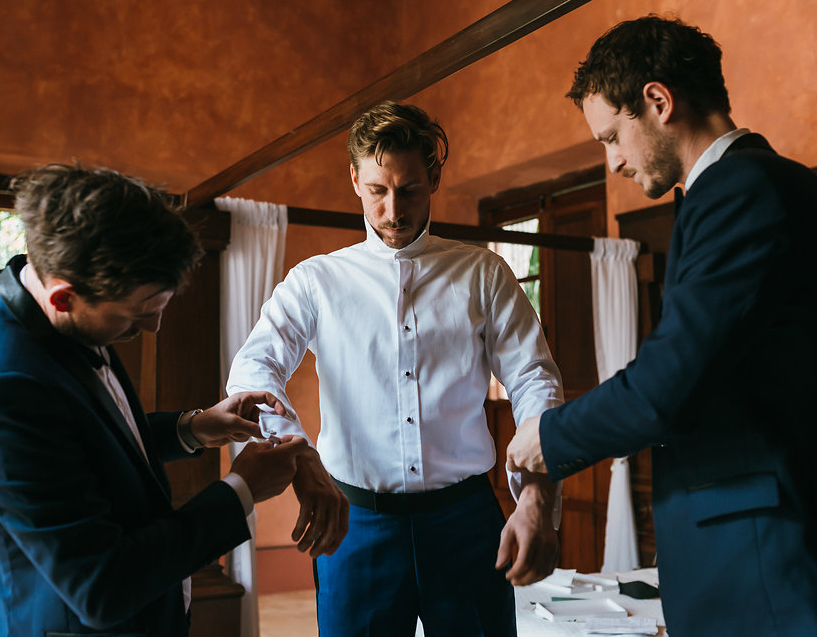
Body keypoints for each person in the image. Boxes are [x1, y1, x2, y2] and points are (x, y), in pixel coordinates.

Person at [506, 15, 817, 636]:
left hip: (764, 557)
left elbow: (666, 386)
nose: (613, 161)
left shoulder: (739, 192)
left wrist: (550, 437)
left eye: (612, 137)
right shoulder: (779, 186)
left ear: (657, 100)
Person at [226, 100, 564, 636]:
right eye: (378, 191)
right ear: (355, 179)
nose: (392, 211)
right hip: (353, 523)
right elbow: (252, 373)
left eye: (409, 189)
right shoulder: (315, 281)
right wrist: (300, 458)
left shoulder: (485, 273)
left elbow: (533, 380)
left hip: (467, 521)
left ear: (433, 179)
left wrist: (537, 496)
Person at [0, 163, 310, 637]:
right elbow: (102, 587)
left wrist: (193, 428)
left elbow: (85, 445)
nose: (152, 328)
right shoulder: (2, 393)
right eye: (140, 313)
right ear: (63, 298)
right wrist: (241, 490)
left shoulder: (51, 308)